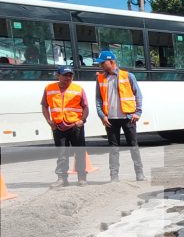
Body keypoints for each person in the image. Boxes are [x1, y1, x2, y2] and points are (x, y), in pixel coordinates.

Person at [94, 50, 145, 182]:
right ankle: (114, 176)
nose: (100, 66)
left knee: (133, 146)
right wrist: (102, 116)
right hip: (110, 120)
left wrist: (138, 112)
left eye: (102, 63)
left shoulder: (128, 76)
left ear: (111, 62)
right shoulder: (100, 78)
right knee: (113, 149)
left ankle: (139, 174)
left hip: (128, 118)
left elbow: (138, 95)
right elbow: (98, 99)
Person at [41, 66, 89, 187]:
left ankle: (82, 178)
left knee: (79, 153)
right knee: (62, 154)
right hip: (58, 127)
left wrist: (82, 120)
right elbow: (44, 106)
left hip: (75, 126)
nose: (68, 78)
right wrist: (49, 121)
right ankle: (62, 179)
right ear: (58, 75)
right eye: (65, 75)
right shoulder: (49, 88)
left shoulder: (78, 89)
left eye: (70, 75)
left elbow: (86, 107)